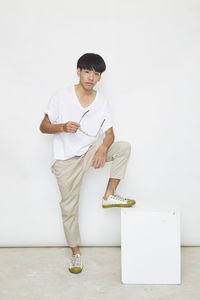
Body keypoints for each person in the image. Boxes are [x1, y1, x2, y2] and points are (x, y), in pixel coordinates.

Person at [40, 53, 136, 274]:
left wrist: (103, 148)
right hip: (65, 160)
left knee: (123, 147)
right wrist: (62, 126)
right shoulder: (61, 95)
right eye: (87, 72)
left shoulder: (101, 101)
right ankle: (76, 253)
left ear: (100, 77)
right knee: (69, 207)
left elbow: (110, 134)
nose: (91, 77)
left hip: (89, 152)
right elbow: (43, 126)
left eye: (96, 73)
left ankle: (108, 195)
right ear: (78, 71)